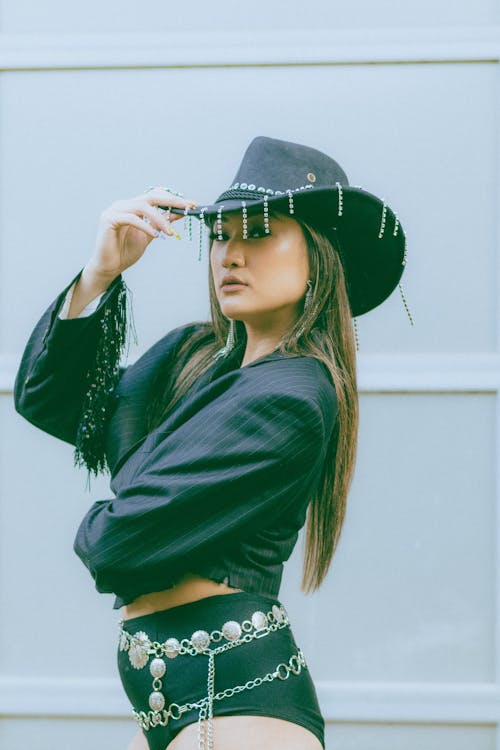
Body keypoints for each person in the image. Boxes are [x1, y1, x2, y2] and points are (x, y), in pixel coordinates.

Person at [13, 135, 411, 750]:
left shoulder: (295, 396)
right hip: (186, 706)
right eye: (221, 235)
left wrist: (111, 512)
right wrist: (99, 275)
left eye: (258, 233)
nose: (230, 254)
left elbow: (117, 545)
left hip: (241, 712)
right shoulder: (196, 358)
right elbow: (54, 401)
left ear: (318, 257)